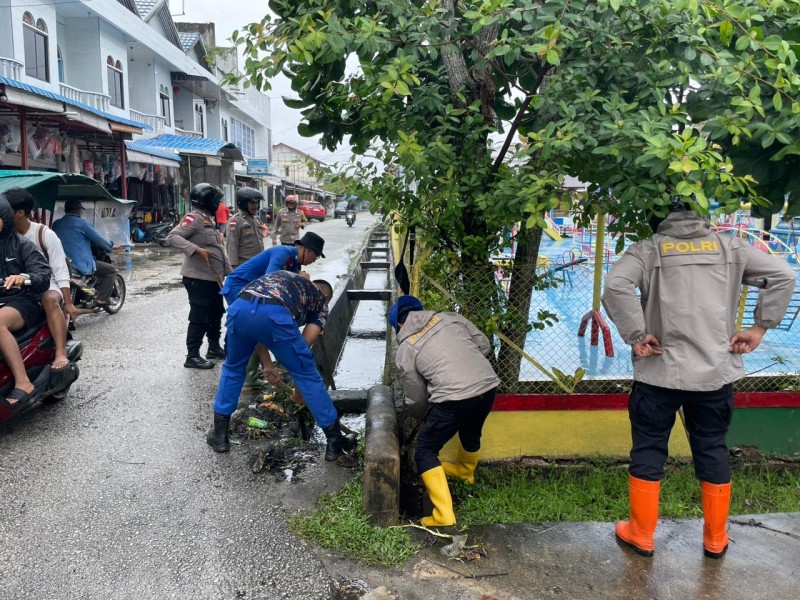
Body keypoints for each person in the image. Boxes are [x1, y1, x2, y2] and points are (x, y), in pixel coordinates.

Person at [602, 201, 795, 559]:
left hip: (659, 371)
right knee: (711, 447)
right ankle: (715, 539)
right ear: (701, 216)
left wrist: (637, 333)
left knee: (648, 448)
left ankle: (642, 534)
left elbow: (615, 286)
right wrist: (758, 328)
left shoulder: (648, 249)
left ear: (657, 219)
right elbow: (784, 275)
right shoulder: (730, 247)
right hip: (714, 372)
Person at [207, 270, 356, 461]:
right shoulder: (320, 304)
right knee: (307, 375)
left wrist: (267, 364)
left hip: (241, 308)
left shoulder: (284, 280)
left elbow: (257, 323)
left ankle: (219, 436)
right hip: (274, 316)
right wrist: (298, 393)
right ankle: (335, 442)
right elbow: (302, 352)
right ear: (325, 296)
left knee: (233, 368)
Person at [388, 295, 500, 527]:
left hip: (454, 399)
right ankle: (465, 472)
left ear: (398, 325)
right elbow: (484, 345)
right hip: (487, 387)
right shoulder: (451, 318)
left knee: (426, 449)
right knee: (471, 430)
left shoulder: (407, 347)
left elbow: (416, 395)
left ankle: (443, 515)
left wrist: (422, 415)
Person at [220, 231, 326, 387]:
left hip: (255, 291)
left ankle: (263, 369)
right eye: (315, 257)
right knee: (252, 326)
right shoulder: (282, 252)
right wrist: (298, 277)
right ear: (308, 250)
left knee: (264, 324)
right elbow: (271, 280)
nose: (314, 261)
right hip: (239, 286)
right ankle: (250, 375)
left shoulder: (295, 263)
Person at [6, 188, 78, 372]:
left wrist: (68, 302)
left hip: (47, 282)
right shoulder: (6, 237)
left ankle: (60, 352)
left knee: (49, 299)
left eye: (6, 211)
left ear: (19, 213)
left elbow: (60, 270)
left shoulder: (45, 235)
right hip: (17, 287)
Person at [166, 183, 232, 369]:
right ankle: (192, 355)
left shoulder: (207, 220)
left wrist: (230, 274)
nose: (218, 204)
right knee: (199, 315)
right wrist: (195, 250)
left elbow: (217, 250)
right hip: (198, 279)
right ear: (208, 200)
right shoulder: (193, 218)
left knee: (216, 312)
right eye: (216, 200)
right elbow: (173, 236)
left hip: (212, 279)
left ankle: (213, 347)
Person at [0, 194, 52, 405]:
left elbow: (43, 276)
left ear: (5, 217)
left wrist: (24, 277)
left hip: (22, 302)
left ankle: (23, 381)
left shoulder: (22, 245)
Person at [52, 198, 117, 306]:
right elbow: (100, 239)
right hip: (79, 264)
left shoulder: (56, 224)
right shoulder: (82, 224)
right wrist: (110, 245)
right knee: (110, 270)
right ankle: (102, 299)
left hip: (62, 263)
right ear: (78, 210)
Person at [226, 188, 266, 269]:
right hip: (245, 267)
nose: (256, 206)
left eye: (257, 203)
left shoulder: (255, 219)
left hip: (258, 264)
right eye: (252, 203)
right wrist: (234, 268)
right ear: (243, 203)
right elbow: (232, 247)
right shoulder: (235, 221)